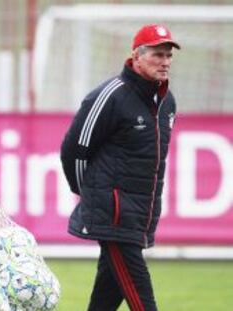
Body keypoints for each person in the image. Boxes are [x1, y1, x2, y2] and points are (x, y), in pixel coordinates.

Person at [60, 24, 180, 311]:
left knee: (104, 301)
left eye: (168, 56)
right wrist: (90, 195)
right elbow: (73, 151)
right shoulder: (110, 95)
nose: (164, 62)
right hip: (113, 217)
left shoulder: (167, 102)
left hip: (137, 217)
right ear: (136, 56)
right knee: (143, 302)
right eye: (157, 55)